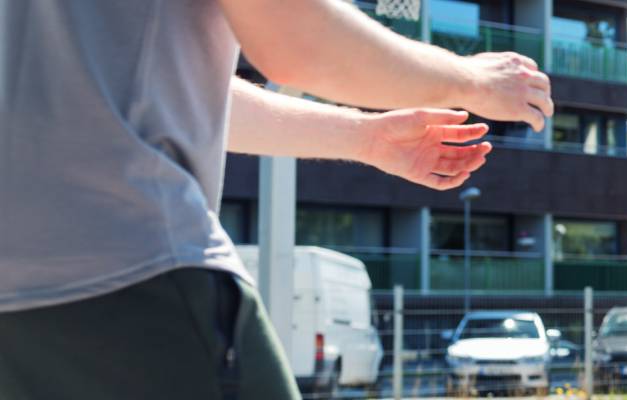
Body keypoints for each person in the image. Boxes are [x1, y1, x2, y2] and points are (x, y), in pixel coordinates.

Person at [0, 0, 551, 398]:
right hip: (132, 272)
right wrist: (468, 78)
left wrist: (366, 138)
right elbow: (296, 36)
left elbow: (176, 89)